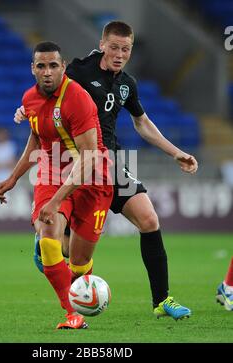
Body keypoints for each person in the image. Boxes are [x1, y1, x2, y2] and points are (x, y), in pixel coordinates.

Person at [15, 21, 198, 321]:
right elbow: (45, 91)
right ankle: (71, 299)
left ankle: (162, 300)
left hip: (111, 165)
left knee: (149, 219)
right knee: (75, 257)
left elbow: (142, 123)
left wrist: (176, 152)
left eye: (125, 49)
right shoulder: (80, 70)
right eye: (114, 47)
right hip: (75, 165)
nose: (119, 54)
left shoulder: (127, 83)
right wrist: (25, 110)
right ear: (102, 44)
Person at [0, 41, 113, 329]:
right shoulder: (29, 99)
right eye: (41, 66)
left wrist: (57, 200)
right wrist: (13, 177)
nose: (47, 72)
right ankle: (71, 313)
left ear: (63, 67)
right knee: (49, 240)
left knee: (79, 262)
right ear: (33, 69)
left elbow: (87, 160)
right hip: (52, 173)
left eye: (53, 66)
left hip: (92, 178)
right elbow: (37, 138)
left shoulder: (78, 99)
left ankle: (66, 261)